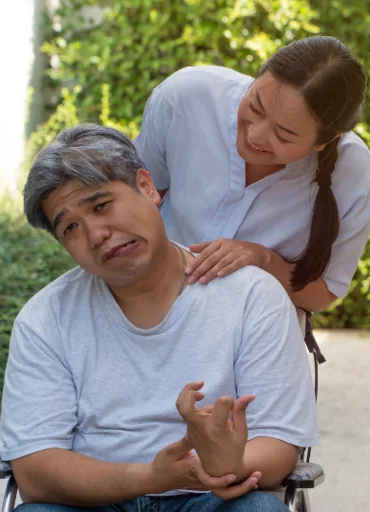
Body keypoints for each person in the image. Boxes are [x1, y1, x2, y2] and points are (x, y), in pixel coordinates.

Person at [0, 125, 318, 512]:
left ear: (148, 188)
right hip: (92, 502)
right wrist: (152, 476)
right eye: (70, 227)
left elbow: (278, 448)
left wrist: (221, 464)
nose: (97, 234)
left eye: (101, 205)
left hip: (212, 497)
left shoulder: (251, 296)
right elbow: (34, 471)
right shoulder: (45, 319)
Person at [134, 35, 370, 314]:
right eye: (255, 106)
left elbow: (322, 295)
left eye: (283, 135)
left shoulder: (352, 171)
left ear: (325, 140)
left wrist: (262, 260)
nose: (254, 135)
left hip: (255, 338)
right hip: (146, 311)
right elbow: (134, 204)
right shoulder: (187, 97)